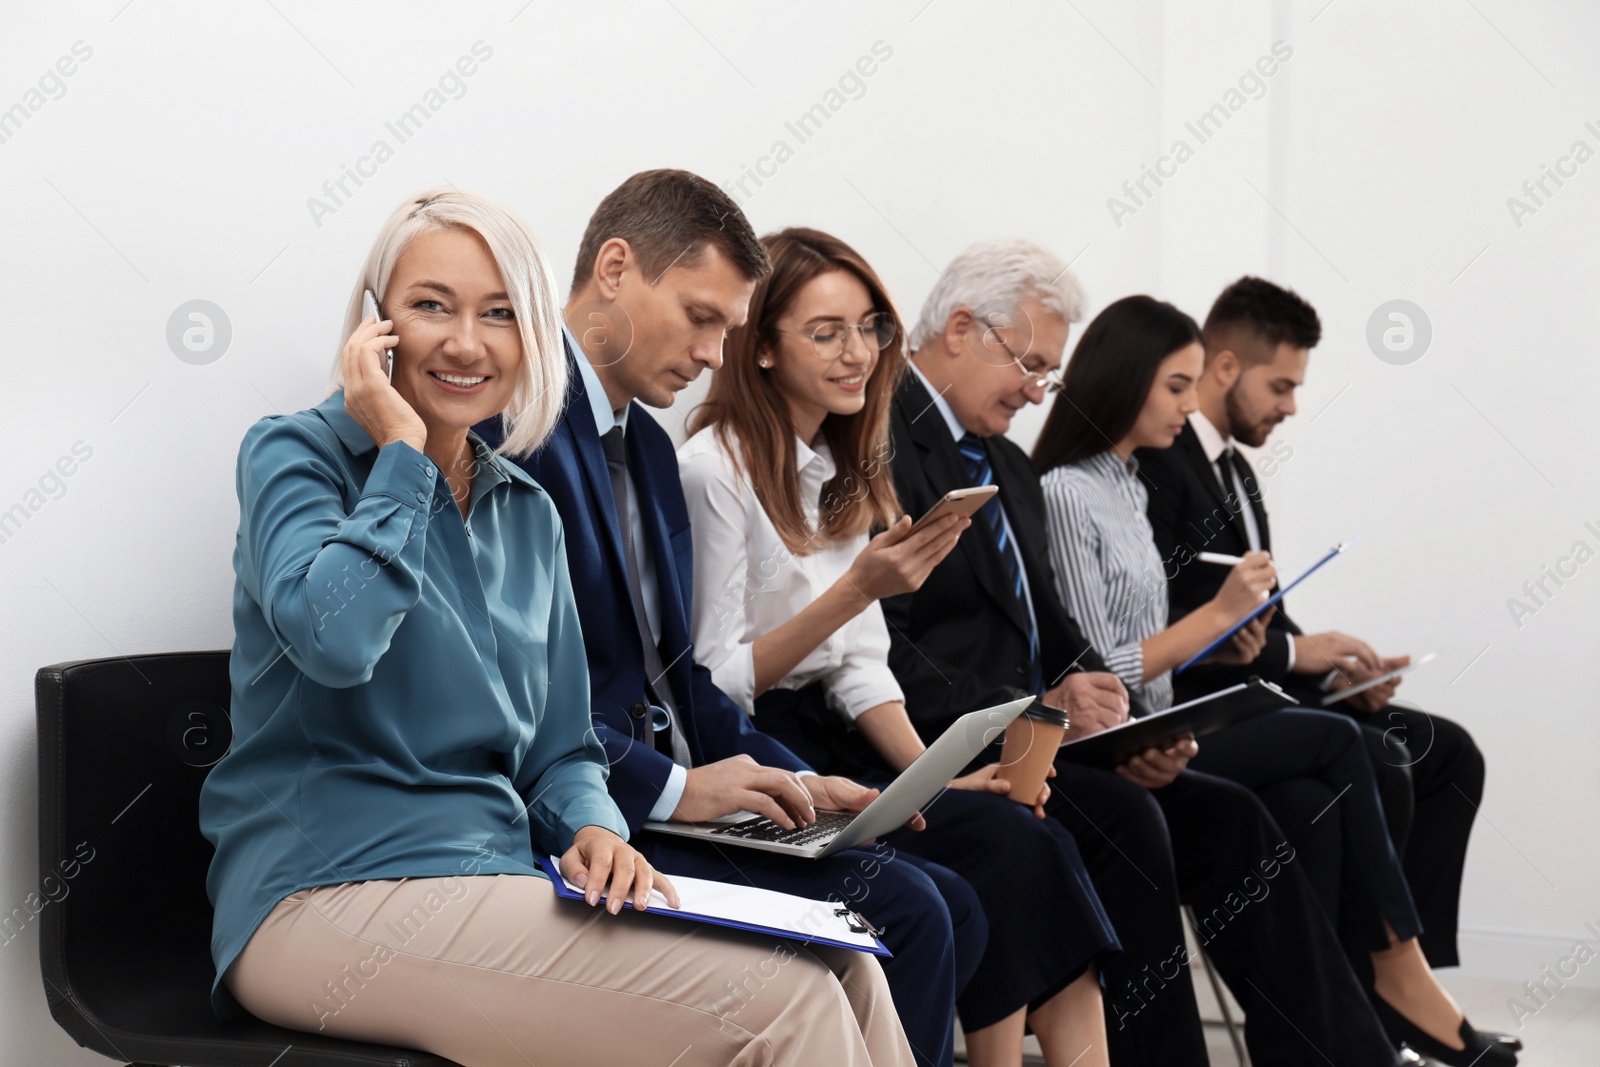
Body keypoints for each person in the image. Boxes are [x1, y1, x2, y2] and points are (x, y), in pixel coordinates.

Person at [197, 187, 914, 1067]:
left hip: (494, 877)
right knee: (784, 1004)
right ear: (375, 325)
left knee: (846, 963)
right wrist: (398, 453)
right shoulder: (295, 455)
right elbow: (334, 643)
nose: (467, 341)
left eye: (499, 314)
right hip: (324, 892)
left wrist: (595, 825)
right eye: (431, 306)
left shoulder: (523, 508)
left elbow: (562, 742)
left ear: (529, 337)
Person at [475, 170, 981, 1067]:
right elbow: (512, 699)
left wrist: (797, 779)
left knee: (936, 896)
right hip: (585, 821)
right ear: (616, 268)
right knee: (911, 908)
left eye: (727, 329)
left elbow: (682, 678)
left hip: (664, 803)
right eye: (702, 317)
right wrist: (677, 790)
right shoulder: (514, 434)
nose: (715, 356)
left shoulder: (652, 454)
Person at [883, 239, 1410, 1067]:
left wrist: (1096, 699)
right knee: (1140, 815)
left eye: (1049, 373)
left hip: (1031, 733)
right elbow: (888, 645)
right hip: (949, 740)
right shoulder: (882, 444)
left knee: (1227, 813)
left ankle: (1339, 1054)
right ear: (960, 329)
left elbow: (1056, 633)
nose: (1035, 387)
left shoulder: (1013, 468)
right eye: (1029, 363)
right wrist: (1047, 710)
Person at [1030, 293, 1514, 1067]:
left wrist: (1237, 644)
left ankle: (1324, 1040)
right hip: (1123, 731)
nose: (1191, 407)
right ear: (1127, 380)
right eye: (1177, 387)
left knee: (1309, 798)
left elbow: (1188, 635)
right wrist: (1221, 626)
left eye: (1192, 388)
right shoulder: (1068, 490)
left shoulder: (1128, 484)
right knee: (1337, 744)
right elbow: (1095, 669)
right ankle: (1393, 971)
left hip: (1165, 716)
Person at [678, 225, 1121, 1067]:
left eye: (869, 328)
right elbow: (713, 683)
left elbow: (859, 667)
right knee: (987, 865)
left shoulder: (838, 467)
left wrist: (939, 776)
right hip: (756, 750)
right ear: (762, 347)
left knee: (1016, 829)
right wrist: (856, 590)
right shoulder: (715, 470)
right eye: (826, 331)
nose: (858, 353)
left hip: (828, 735)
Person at [1135, 277, 1489, 988]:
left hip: (1267, 683)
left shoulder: (1236, 470)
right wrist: (1297, 654)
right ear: (1227, 366)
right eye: (1282, 385)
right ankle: (1370, 988)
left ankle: (1410, 975)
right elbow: (1163, 617)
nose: (1291, 407)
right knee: (1377, 757)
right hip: (1209, 698)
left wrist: (1334, 671)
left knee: (1448, 752)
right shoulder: (1156, 464)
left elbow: (1260, 604)